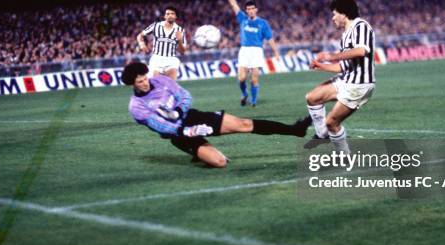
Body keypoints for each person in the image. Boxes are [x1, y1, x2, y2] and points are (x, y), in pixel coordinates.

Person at [123, 62, 311, 168]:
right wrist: (186, 131)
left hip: (192, 117)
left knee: (244, 124)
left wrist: (180, 110)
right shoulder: (137, 106)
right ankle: (200, 149)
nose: (145, 83)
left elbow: (184, 96)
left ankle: (296, 130)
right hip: (179, 134)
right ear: (133, 84)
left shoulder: (161, 80)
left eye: (145, 78)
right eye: (140, 81)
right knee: (220, 162)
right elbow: (159, 126)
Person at [304, 0, 376, 152]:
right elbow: (343, 66)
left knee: (332, 122)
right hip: (347, 79)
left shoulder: (361, 26)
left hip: (359, 85)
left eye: (334, 13)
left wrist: (330, 56)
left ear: (344, 14)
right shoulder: (345, 34)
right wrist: (321, 66)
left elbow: (361, 51)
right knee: (312, 97)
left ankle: (345, 156)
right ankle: (322, 135)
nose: (333, 18)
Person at [225, 0, 280, 107]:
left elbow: (270, 39)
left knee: (254, 79)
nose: (250, 11)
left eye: (252, 9)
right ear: (246, 11)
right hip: (244, 51)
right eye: (248, 9)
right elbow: (233, 4)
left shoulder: (263, 23)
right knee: (241, 78)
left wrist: (276, 53)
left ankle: (253, 101)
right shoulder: (242, 19)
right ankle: (244, 94)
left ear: (256, 10)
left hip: (256, 51)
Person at [137, 6, 187, 80]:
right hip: (156, 59)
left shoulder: (180, 30)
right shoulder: (156, 26)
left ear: (176, 16)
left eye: (172, 14)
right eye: (168, 14)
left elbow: (183, 52)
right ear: (164, 16)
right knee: (156, 86)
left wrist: (179, 40)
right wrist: (142, 44)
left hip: (171, 60)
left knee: (171, 86)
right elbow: (139, 36)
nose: (170, 15)